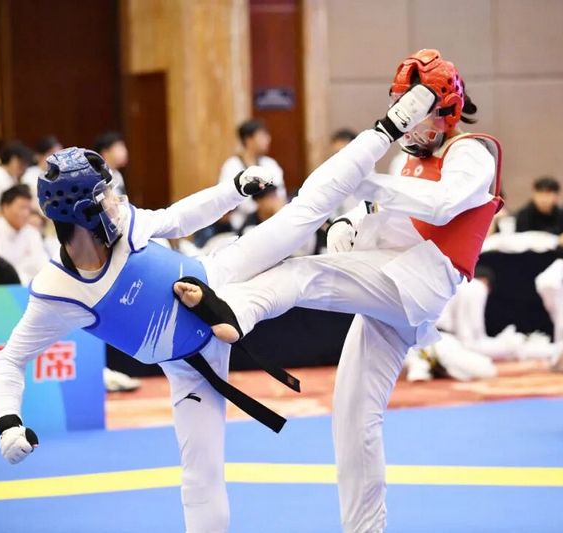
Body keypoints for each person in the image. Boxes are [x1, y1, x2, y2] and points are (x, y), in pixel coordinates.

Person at [0, 83, 434, 533]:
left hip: (223, 273)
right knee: (201, 479)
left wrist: (234, 189)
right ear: (84, 213)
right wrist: (8, 423)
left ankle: (387, 128)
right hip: (189, 369)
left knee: (308, 209)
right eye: (105, 196)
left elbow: (179, 217)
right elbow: (8, 361)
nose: (116, 200)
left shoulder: (125, 224)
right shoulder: (57, 291)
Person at [173, 49, 502, 532]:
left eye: (418, 112)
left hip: (420, 280)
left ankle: (234, 311)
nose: (410, 126)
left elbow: (443, 205)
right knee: (353, 418)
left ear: (446, 109)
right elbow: (391, 216)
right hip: (393, 283)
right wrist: (353, 220)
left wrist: (364, 182)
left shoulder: (472, 151)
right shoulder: (410, 162)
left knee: (306, 274)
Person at [217, 119, 286, 230]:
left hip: (272, 220)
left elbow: (280, 196)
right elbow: (225, 201)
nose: (268, 139)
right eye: (262, 136)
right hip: (241, 225)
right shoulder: (232, 165)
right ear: (248, 140)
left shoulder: (270, 164)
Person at [0, 185, 48, 284]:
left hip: (30, 286)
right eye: (22, 208)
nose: (26, 213)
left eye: (28, 209)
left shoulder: (32, 233)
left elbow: (43, 265)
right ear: (5, 207)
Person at [515, 176, 563, 247]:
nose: (544, 198)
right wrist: (557, 240)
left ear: (556, 196)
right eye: (540, 193)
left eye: (548, 194)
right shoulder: (524, 215)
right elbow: (520, 241)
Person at [21, 135, 63, 208]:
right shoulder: (29, 175)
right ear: (39, 156)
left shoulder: (64, 174)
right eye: (52, 154)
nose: (58, 159)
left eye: (60, 154)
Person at [93, 130, 128, 195]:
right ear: (105, 153)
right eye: (119, 149)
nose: (125, 153)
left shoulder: (117, 174)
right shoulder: (97, 177)